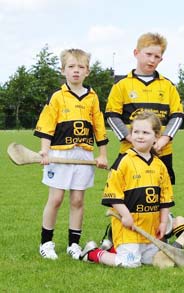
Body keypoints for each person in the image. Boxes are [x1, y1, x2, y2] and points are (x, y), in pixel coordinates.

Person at [34, 48, 108, 260]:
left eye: (81, 67)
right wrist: (45, 151)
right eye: (71, 67)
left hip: (83, 155)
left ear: (88, 71)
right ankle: (46, 243)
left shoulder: (92, 98)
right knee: (56, 199)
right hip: (59, 154)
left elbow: (99, 128)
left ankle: (73, 245)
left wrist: (102, 155)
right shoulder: (57, 97)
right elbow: (47, 126)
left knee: (77, 200)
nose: (76, 71)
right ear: (63, 70)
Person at [80, 111, 174, 268]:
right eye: (136, 132)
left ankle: (112, 248)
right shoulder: (123, 162)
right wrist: (125, 215)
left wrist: (164, 222)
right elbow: (113, 194)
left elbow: (165, 198)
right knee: (130, 263)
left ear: (156, 136)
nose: (140, 136)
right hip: (127, 229)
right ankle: (92, 253)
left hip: (149, 231)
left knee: (155, 261)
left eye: (145, 132)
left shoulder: (160, 165)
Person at [105, 32, 184, 185]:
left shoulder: (168, 86)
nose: (152, 60)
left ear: (161, 59)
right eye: (148, 54)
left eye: (157, 57)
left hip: (162, 151)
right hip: (130, 150)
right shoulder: (121, 85)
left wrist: (163, 139)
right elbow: (112, 116)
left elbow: (177, 116)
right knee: (129, 192)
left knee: (161, 196)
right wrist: (133, 140)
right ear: (136, 53)